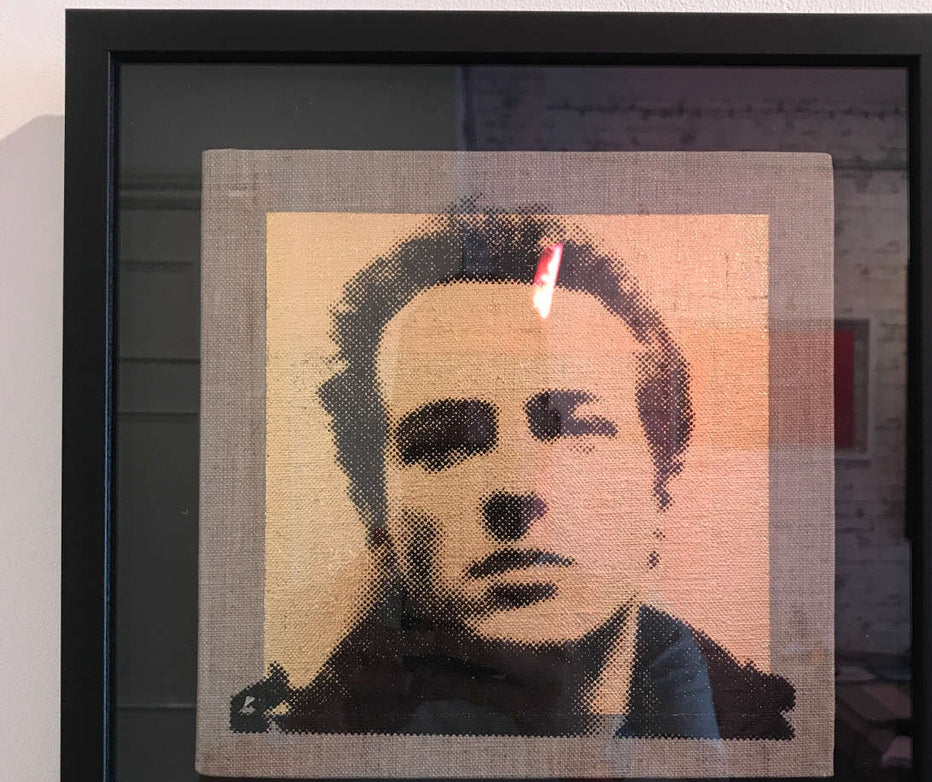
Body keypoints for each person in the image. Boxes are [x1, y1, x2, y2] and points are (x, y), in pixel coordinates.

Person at [229, 208, 794, 741]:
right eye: (444, 443)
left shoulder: (758, 719)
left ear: (660, 484)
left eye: (573, 429)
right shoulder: (313, 716)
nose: (517, 489)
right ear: (374, 505)